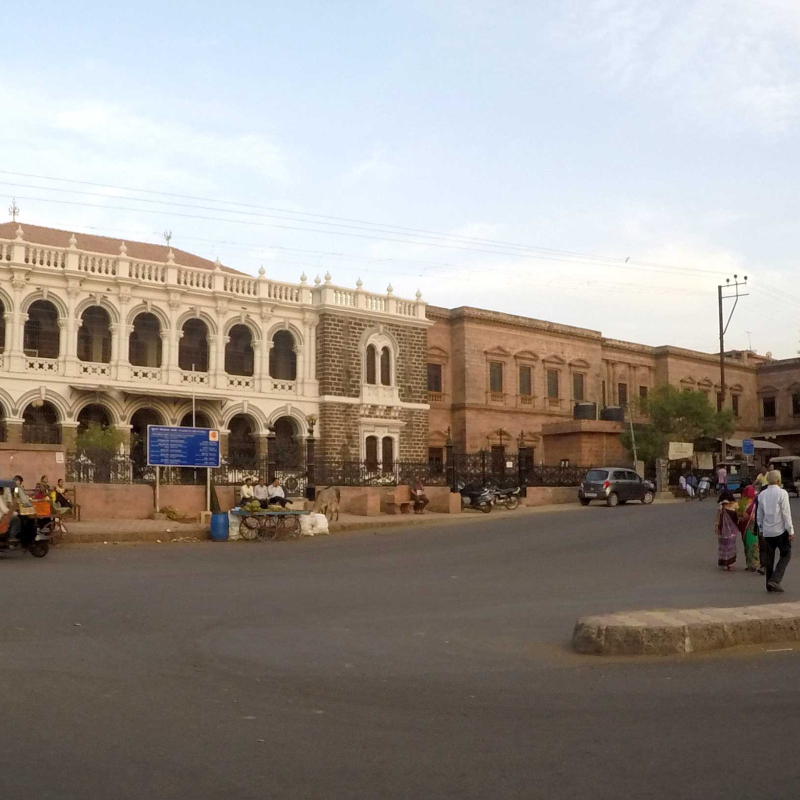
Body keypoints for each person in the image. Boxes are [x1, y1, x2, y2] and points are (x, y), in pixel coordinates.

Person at [756, 470, 794, 593]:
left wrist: (761, 529)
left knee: (769, 558)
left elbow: (759, 514)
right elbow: (786, 513)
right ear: (778, 480)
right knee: (786, 554)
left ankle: (769, 584)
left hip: (767, 531)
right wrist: (791, 530)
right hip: (780, 531)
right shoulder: (782, 493)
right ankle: (775, 579)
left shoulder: (762, 494)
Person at [737, 485, 763, 574]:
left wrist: (742, 518)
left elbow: (739, 514)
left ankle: (751, 564)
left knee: (748, 546)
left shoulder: (742, 502)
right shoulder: (756, 502)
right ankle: (754, 564)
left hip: (747, 527)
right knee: (753, 546)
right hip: (753, 527)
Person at [715, 490, 739, 571]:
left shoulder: (721, 506)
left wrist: (716, 527)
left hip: (722, 530)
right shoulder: (735, 505)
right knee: (731, 546)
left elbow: (718, 518)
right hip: (732, 530)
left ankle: (724, 562)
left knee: (723, 546)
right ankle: (730, 563)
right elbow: (738, 516)